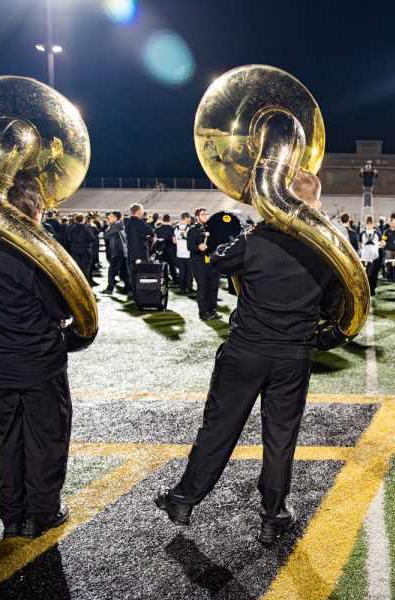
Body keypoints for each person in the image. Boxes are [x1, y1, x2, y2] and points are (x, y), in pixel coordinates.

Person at [155, 171, 340, 544]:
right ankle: (273, 514)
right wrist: (320, 339)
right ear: (316, 205)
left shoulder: (257, 239)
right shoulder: (327, 251)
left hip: (245, 349)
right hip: (294, 354)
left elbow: (220, 261)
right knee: (280, 437)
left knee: (218, 428)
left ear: (278, 201)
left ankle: (183, 499)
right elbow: (339, 307)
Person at [0, 177, 76, 539]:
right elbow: (61, 306)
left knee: (9, 440)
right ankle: (41, 512)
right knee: (47, 439)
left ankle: (11, 515)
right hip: (41, 363)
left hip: (2, 365)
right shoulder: (33, 256)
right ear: (29, 213)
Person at [189, 207, 220, 320]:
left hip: (211, 262)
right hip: (199, 263)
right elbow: (190, 247)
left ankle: (212, 310)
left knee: (213, 287)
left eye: (207, 214)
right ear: (197, 217)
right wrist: (198, 247)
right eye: (203, 214)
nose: (206, 216)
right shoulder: (193, 229)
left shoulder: (210, 229)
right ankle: (203, 313)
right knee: (203, 288)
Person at [125, 203, 153, 294]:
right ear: (138, 211)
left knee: (133, 273)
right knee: (142, 273)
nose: (143, 212)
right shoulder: (138, 221)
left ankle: (134, 292)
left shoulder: (128, 221)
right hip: (140, 252)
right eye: (142, 210)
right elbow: (150, 231)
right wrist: (146, 237)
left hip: (131, 252)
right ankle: (142, 293)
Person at [65, 214, 97, 285]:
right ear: (83, 220)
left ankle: (77, 283)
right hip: (85, 250)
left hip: (74, 250)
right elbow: (91, 238)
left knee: (76, 267)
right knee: (85, 268)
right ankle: (85, 284)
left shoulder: (72, 228)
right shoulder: (86, 228)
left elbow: (69, 238)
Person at [102, 211, 128, 295]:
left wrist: (109, 226)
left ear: (117, 218)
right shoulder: (120, 225)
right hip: (122, 252)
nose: (109, 218)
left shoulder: (117, 226)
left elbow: (106, 235)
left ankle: (109, 289)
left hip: (118, 252)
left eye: (111, 216)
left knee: (111, 271)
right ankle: (129, 288)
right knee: (124, 272)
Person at [359, 216, 384, 295]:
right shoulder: (377, 232)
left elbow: (359, 245)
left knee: (365, 276)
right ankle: (372, 290)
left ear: (365, 223)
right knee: (374, 275)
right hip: (374, 257)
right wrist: (377, 245)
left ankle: (366, 291)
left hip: (365, 258)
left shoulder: (362, 233)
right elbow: (383, 243)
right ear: (373, 223)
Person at [154, 214, 179, 286]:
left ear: (163, 220)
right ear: (169, 220)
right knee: (172, 266)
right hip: (171, 250)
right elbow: (174, 241)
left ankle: (165, 279)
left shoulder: (157, 229)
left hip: (161, 251)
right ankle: (175, 279)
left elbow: (155, 240)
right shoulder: (173, 229)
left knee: (162, 266)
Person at [175, 212, 193, 295]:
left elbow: (174, 241)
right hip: (188, 253)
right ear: (186, 218)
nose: (190, 220)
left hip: (179, 253)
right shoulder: (190, 228)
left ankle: (182, 288)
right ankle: (189, 288)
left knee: (182, 272)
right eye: (189, 219)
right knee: (189, 272)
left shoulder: (175, 228)